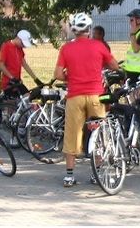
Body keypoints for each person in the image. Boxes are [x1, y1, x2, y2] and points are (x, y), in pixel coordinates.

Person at [54, 12, 119, 187]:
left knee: (72, 134)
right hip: (96, 96)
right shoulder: (98, 46)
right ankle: (97, 173)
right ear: (89, 30)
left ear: (74, 31)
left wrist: (71, 77)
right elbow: (114, 65)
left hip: (75, 96)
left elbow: (58, 74)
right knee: (99, 134)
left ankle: (69, 175)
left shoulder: (66, 48)